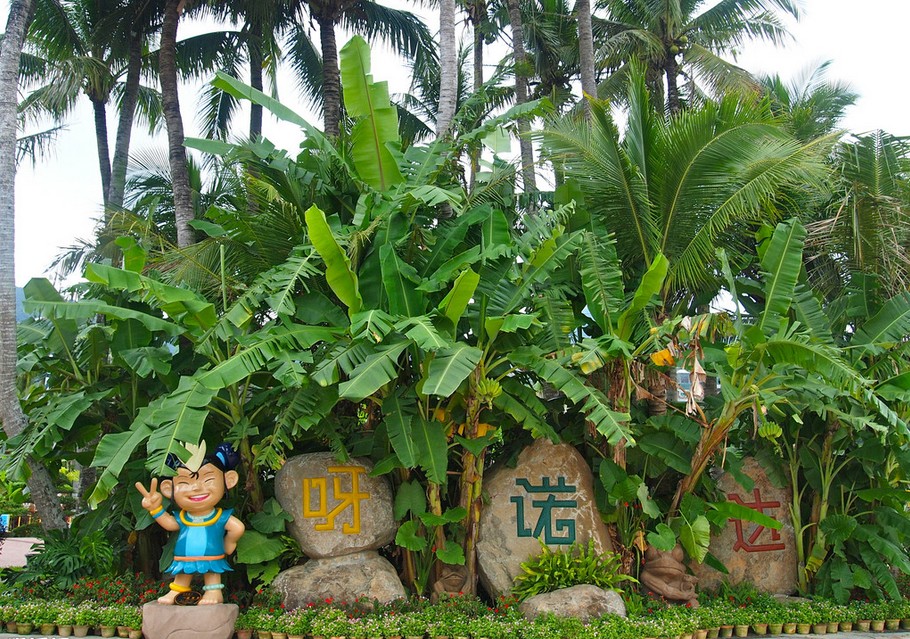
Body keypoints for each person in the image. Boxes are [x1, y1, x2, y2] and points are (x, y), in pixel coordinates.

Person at [135, 442, 245, 605]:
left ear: (228, 480)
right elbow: (169, 524)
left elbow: (238, 528)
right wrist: (155, 509)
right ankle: (178, 590)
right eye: (184, 483)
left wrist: (229, 542)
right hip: (184, 556)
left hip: (212, 554)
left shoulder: (219, 517)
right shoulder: (183, 517)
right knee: (183, 573)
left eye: (208, 480)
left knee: (212, 571)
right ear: (168, 489)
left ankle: (214, 591)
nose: (197, 488)